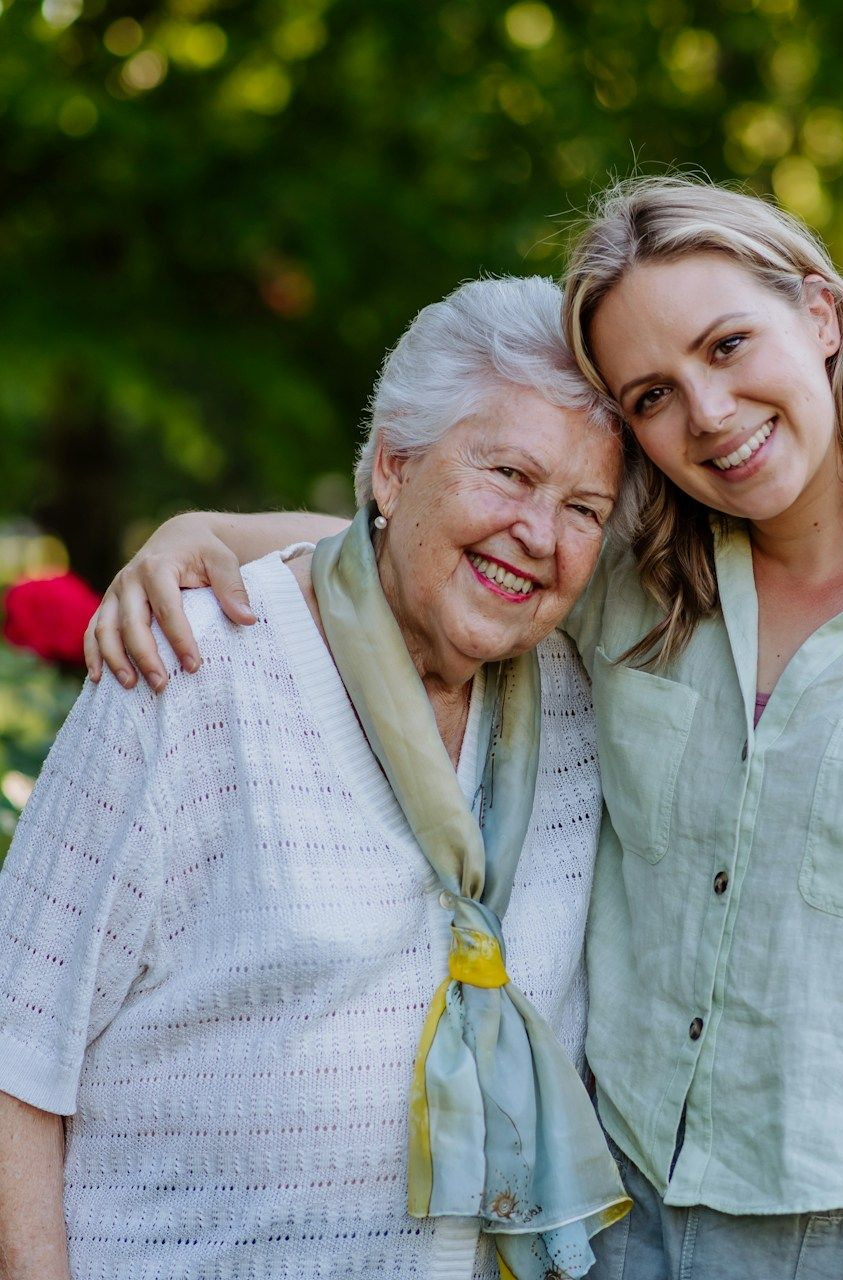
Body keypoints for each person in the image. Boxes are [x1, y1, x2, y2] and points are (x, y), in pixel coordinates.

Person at [80, 179, 843, 1280]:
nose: (709, 411)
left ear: (821, 316)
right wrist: (199, 529)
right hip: (624, 1223)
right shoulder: (635, 578)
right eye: (651, 394)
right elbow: (419, 540)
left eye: (728, 344)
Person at [0, 276, 631, 1280]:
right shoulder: (191, 669)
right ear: (391, 466)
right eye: (508, 473)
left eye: (583, 506)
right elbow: (13, 1051)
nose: (541, 534)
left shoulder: (581, 702)